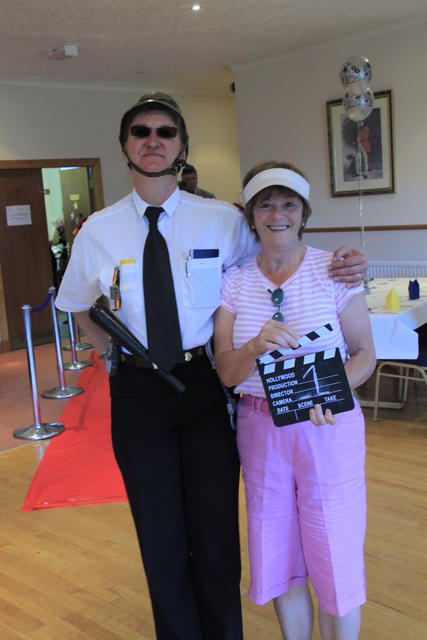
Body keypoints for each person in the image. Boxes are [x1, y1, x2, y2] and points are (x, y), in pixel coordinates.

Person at [55, 92, 369, 640]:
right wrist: (109, 353)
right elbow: (78, 304)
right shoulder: (98, 231)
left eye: (166, 132)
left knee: (215, 529)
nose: (153, 141)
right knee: (158, 531)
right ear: (125, 147)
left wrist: (348, 263)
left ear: (182, 147)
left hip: (203, 383)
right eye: (140, 132)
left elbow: (282, 245)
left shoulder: (222, 221)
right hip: (138, 390)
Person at [214, 161, 376, 640]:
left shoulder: (335, 271)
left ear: (304, 213)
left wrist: (332, 392)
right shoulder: (234, 281)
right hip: (260, 430)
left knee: (335, 554)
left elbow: (365, 354)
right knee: (279, 556)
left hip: (327, 427)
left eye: (289, 204)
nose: (277, 214)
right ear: (251, 215)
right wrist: (253, 346)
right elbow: (226, 371)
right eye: (265, 204)